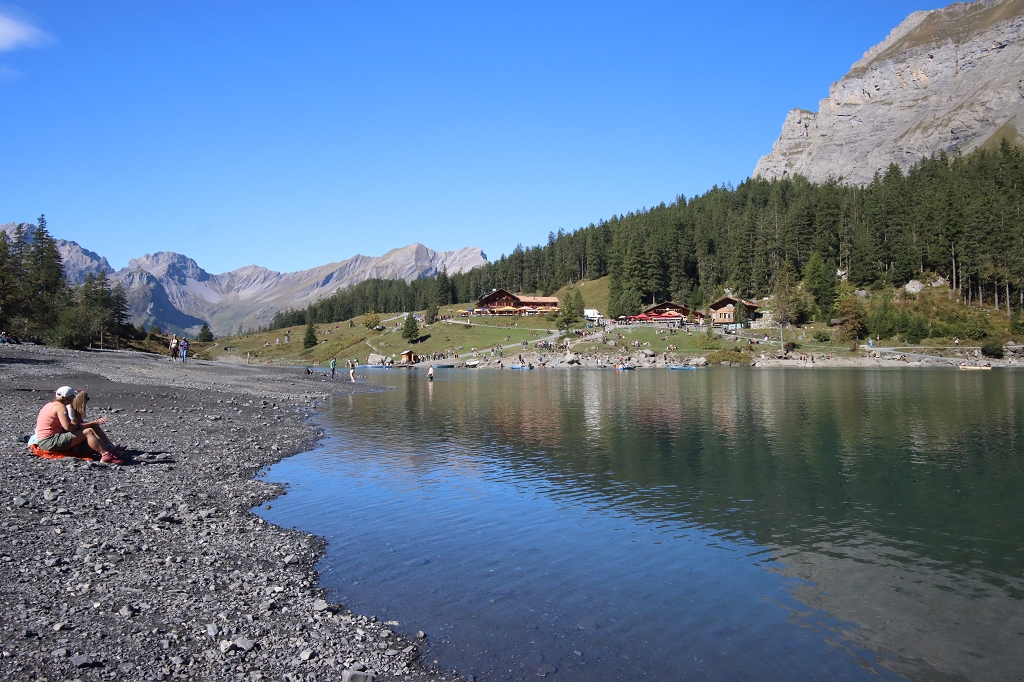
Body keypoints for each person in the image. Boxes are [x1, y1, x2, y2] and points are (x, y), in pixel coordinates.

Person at [35, 386, 122, 464]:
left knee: (88, 429)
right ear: (68, 398)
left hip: (45, 440)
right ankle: (106, 455)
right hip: (49, 441)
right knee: (88, 432)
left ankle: (108, 450)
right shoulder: (60, 407)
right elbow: (68, 427)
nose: (74, 399)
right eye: (73, 397)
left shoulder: (51, 404)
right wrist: (83, 426)